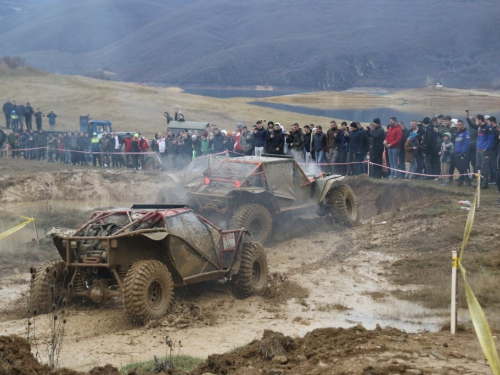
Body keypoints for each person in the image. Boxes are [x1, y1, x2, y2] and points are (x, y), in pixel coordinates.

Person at [474, 114, 494, 189]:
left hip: (485, 150)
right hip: (478, 149)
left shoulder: (488, 128)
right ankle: (479, 182)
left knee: (484, 167)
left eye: (477, 120)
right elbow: (479, 138)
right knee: (478, 166)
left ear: (480, 120)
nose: (476, 122)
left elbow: (491, 139)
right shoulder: (479, 127)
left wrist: (486, 148)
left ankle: (485, 184)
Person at [454, 120, 471, 187]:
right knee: (459, 167)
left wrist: (464, 152)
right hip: (457, 153)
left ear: (463, 125)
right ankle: (461, 179)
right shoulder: (457, 133)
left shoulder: (466, 133)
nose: (458, 126)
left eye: (459, 125)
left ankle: (467, 180)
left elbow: (467, 144)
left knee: (465, 167)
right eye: (457, 125)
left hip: (463, 153)